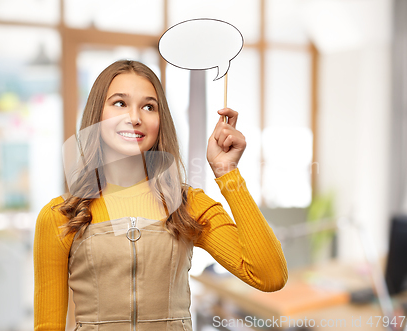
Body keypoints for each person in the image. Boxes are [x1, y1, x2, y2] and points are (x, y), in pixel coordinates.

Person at [33, 60, 288, 331]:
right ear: (97, 115)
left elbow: (270, 275)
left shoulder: (189, 206)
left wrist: (228, 173)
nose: (134, 118)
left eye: (148, 106)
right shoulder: (60, 217)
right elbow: (47, 326)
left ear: (160, 121)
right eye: (120, 103)